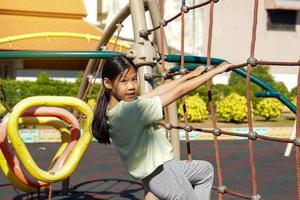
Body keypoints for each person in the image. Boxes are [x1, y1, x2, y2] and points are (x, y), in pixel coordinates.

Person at [92, 55, 231, 200]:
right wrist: (214, 72)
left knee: (205, 171)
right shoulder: (131, 110)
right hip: (162, 175)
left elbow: (156, 92)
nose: (132, 86)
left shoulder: (114, 110)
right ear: (107, 83)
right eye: (124, 81)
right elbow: (179, 92)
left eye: (134, 79)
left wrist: (187, 76)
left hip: (163, 170)